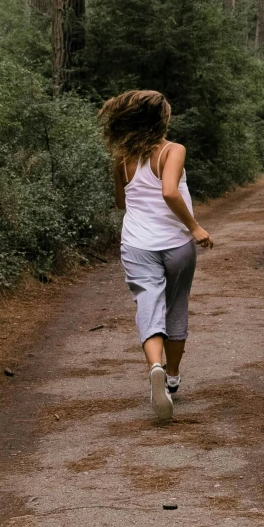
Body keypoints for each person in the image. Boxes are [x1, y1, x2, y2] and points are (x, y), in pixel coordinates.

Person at [97, 89, 215, 422]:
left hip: (136, 245)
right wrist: (194, 227)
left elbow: (122, 203)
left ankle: (155, 367)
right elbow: (169, 191)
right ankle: (173, 378)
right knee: (176, 306)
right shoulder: (173, 150)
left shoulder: (121, 159)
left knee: (149, 305)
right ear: (160, 119)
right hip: (176, 244)